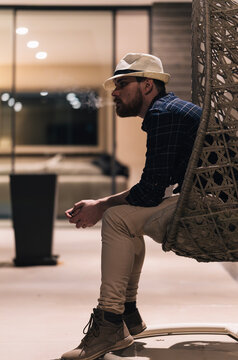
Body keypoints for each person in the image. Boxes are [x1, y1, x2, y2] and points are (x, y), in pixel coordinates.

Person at [60, 53, 202, 360]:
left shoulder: (165, 115)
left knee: (117, 219)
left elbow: (149, 193)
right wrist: (102, 203)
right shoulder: (170, 110)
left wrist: (100, 205)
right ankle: (126, 315)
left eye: (122, 84)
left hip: (211, 210)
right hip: (205, 202)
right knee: (123, 216)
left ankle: (112, 320)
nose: (114, 92)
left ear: (148, 85)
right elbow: (152, 188)